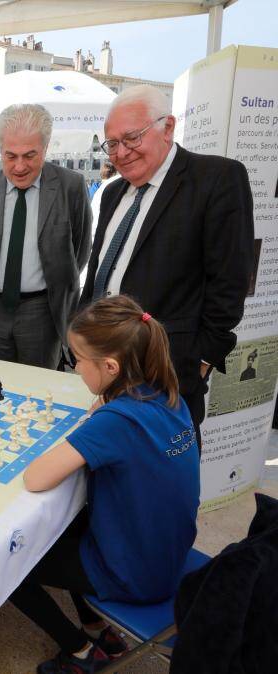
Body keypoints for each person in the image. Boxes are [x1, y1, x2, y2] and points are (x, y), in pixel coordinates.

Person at [12, 295, 200, 674]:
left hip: (136, 574)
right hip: (171, 555)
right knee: (68, 524)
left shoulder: (117, 421)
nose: (76, 368)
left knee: (8, 565)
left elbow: (35, 478)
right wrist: (106, 403)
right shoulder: (168, 395)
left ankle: (81, 652)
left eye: (79, 359)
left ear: (111, 366)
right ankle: (96, 627)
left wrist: (95, 423)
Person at [81, 85, 254, 435]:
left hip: (170, 373)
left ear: (168, 127)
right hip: (106, 367)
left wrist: (200, 363)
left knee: (163, 477)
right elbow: (102, 271)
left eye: (131, 138)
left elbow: (230, 282)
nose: (121, 152)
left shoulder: (216, 179)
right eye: (112, 144)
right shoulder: (113, 191)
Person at [0, 103, 92, 369]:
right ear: (0, 151)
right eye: (10, 156)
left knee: (38, 394)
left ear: (45, 149)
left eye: (30, 155)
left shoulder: (71, 186)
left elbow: (79, 252)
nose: (19, 166)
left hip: (43, 311)